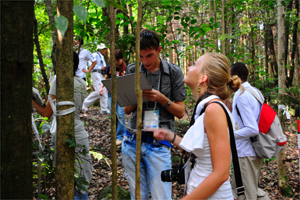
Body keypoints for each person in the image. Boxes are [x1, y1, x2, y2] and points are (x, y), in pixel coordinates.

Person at [152, 53, 241, 199]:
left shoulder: (214, 109)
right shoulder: (206, 108)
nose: (188, 67)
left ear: (203, 78)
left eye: (194, 64)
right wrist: (171, 136)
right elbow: (202, 151)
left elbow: (222, 173)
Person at [122, 29, 187, 200]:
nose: (145, 61)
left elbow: (181, 112)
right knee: (138, 196)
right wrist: (137, 96)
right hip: (132, 142)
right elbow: (127, 110)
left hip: (159, 144)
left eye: (149, 56)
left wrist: (162, 99)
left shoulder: (173, 72)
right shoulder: (133, 70)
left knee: (162, 197)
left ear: (159, 50)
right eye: (141, 57)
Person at [32, 51, 93, 200]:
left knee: (68, 178)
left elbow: (47, 112)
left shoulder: (58, 81)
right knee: (80, 179)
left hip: (63, 132)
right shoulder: (82, 83)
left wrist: (32, 99)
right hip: (80, 131)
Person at [230, 62, 270, 200]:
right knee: (249, 191)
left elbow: (252, 129)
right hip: (254, 151)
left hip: (245, 153)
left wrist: (229, 135)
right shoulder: (255, 92)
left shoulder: (241, 96)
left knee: (245, 195)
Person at [99, 49, 127, 145]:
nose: (116, 62)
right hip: (111, 93)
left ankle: (120, 136)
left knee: (120, 114)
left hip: (122, 93)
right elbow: (105, 78)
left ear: (122, 59)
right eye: (114, 60)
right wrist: (101, 87)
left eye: (118, 60)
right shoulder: (110, 67)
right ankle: (115, 135)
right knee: (113, 114)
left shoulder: (126, 68)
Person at [82, 43, 110, 114]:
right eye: (104, 49)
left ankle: (104, 109)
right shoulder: (95, 55)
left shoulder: (101, 56)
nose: (105, 51)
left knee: (103, 90)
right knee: (99, 91)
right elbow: (91, 64)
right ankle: (85, 104)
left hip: (100, 74)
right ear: (100, 50)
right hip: (96, 73)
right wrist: (100, 67)